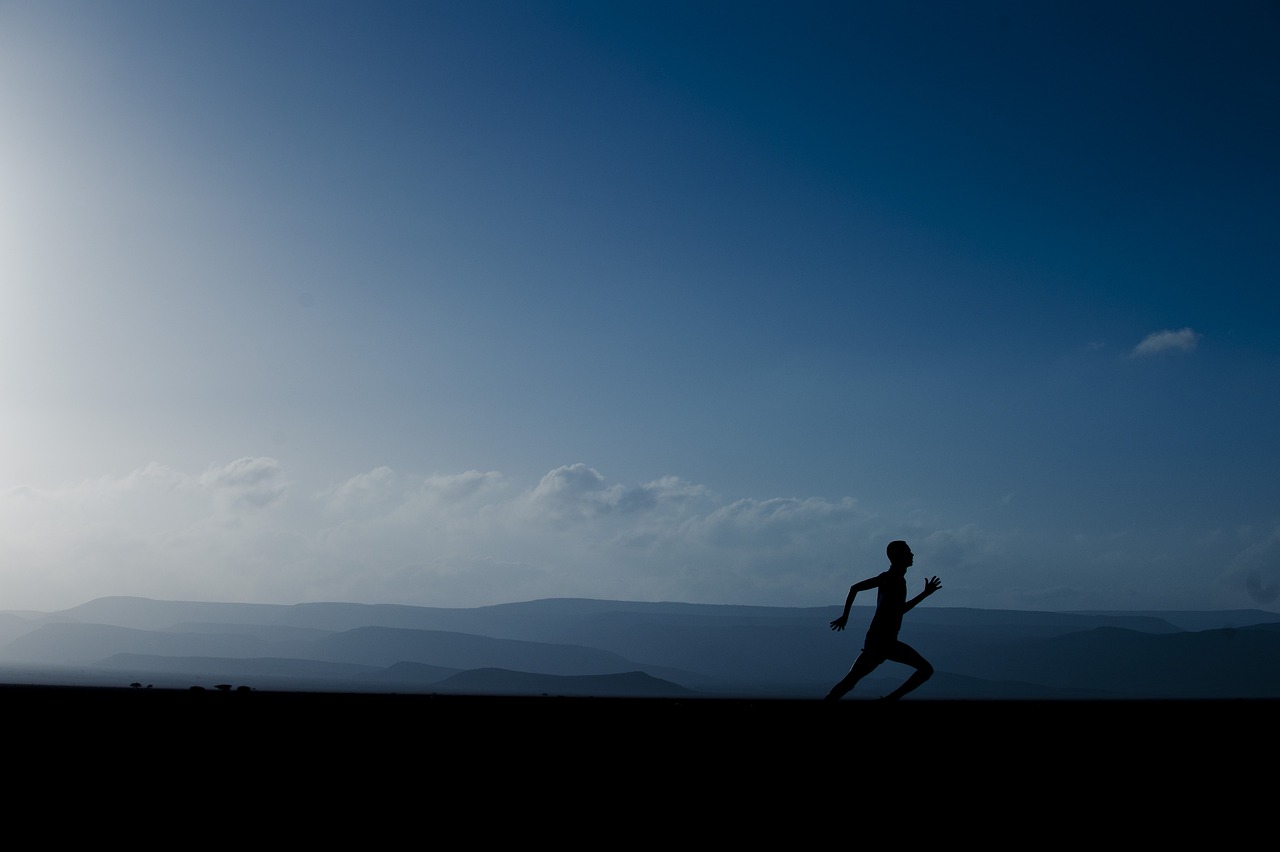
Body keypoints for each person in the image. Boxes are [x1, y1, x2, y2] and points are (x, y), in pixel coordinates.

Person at [824, 540, 941, 701]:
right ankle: (890, 699)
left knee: (850, 681)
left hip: (881, 640)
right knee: (926, 670)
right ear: (898, 556)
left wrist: (845, 617)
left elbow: (857, 589)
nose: (912, 555)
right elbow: (857, 589)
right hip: (883, 641)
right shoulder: (891, 578)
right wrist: (845, 616)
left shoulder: (894, 578)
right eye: (908, 552)